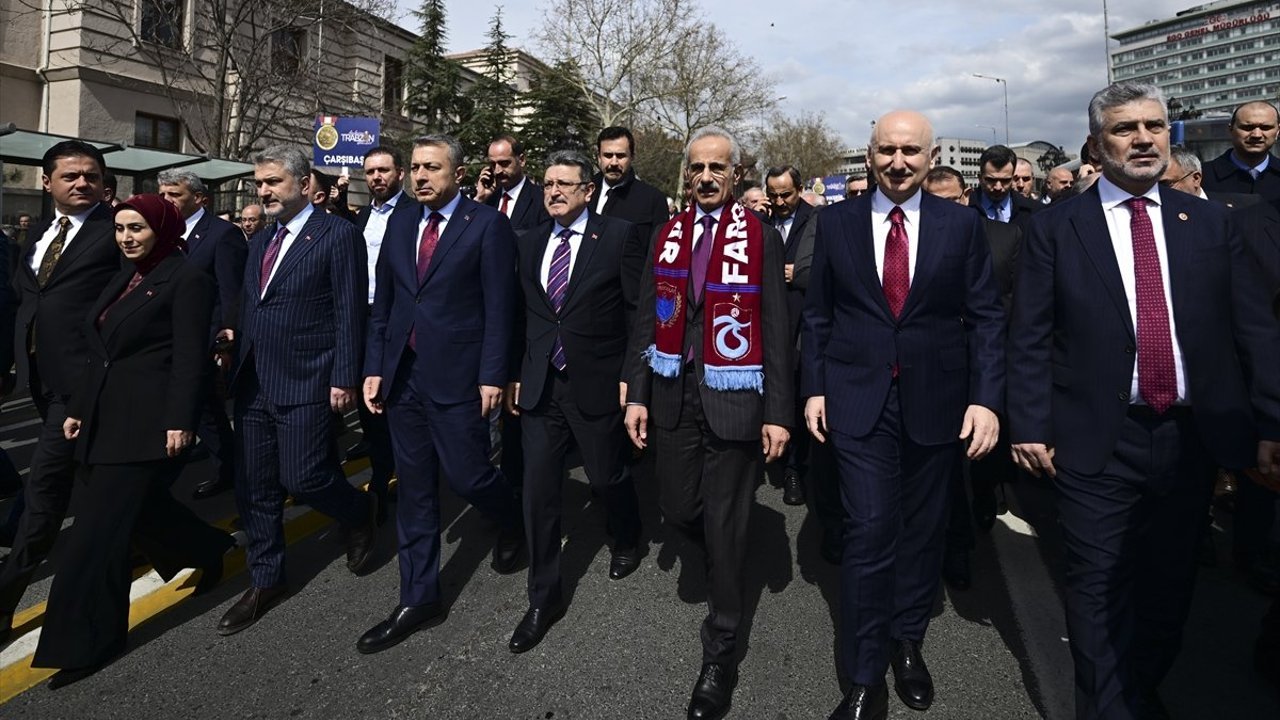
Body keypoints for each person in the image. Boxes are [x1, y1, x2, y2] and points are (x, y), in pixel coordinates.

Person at [1008, 82, 1280, 719]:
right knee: (1097, 586)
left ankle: (1139, 688)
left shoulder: (1210, 222)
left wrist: (1272, 419)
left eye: (1154, 126)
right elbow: (1030, 335)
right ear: (1096, 144)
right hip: (1096, 438)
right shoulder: (1055, 228)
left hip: (1191, 438)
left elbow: (1254, 329)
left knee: (1168, 583)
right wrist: (1029, 422)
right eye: (1125, 128)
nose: (1142, 139)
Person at [803, 111, 1005, 719]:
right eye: (887, 150)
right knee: (869, 529)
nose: (898, 161)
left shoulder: (961, 225)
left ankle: (907, 639)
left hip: (937, 401)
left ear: (931, 156)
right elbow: (818, 315)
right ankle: (865, 676)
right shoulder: (835, 223)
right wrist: (814, 388)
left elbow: (986, 317)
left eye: (910, 151)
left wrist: (986, 399)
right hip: (856, 398)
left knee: (921, 530)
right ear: (869, 154)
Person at [31, 194, 234, 688]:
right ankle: (208, 548)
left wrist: (180, 421)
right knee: (143, 513)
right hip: (102, 417)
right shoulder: (125, 275)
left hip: (145, 423)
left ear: (162, 229)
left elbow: (189, 357)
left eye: (137, 228)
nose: (126, 237)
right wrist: (79, 408)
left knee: (94, 538)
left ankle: (89, 642)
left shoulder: (187, 278)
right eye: (120, 228)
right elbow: (100, 352)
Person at [624, 126, 792, 720]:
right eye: (696, 167)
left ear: (736, 174)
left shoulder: (761, 236)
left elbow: (776, 327)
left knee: (724, 524)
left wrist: (778, 413)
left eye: (717, 167)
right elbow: (647, 317)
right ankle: (722, 550)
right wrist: (636, 394)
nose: (705, 177)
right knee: (677, 508)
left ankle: (720, 650)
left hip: (735, 395)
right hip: (673, 393)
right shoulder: (667, 234)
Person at [357, 134, 523, 654]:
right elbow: (384, 304)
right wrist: (374, 367)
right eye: (415, 168)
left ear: (458, 173)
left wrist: (493, 375)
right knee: (414, 490)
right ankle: (419, 596)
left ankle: (512, 518)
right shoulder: (401, 222)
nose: (420, 176)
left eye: (432, 167)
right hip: (403, 378)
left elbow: (500, 308)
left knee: (469, 475)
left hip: (459, 376)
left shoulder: (487, 225)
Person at [216, 145, 375, 637]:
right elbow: (252, 303)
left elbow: (350, 310)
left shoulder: (338, 234)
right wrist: (231, 336)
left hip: (309, 376)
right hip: (254, 380)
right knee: (255, 485)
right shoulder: (262, 239)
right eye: (258, 183)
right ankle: (266, 578)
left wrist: (344, 377)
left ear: (304, 185)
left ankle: (359, 513)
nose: (263, 191)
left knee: (304, 476)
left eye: (273, 182)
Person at [505, 151, 645, 653]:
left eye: (565, 184)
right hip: (541, 384)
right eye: (548, 184)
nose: (554, 191)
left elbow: (637, 313)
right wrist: (514, 373)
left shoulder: (619, 236)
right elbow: (521, 314)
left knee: (606, 476)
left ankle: (627, 534)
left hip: (596, 382)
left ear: (588, 190)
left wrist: (633, 378)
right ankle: (543, 598)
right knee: (538, 490)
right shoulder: (529, 241)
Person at [0, 140, 123, 646]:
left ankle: (4, 600)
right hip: (40, 381)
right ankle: (197, 547)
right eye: (70, 176)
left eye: (91, 175)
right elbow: (24, 304)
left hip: (85, 385)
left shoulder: (117, 231)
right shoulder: (38, 236)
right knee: (106, 489)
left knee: (45, 492)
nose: (82, 183)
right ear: (47, 182)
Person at [921, 166, 1020, 591]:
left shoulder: (1005, 238)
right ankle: (951, 544)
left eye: (952, 200)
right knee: (944, 467)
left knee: (977, 459)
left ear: (966, 197)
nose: (945, 209)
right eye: (934, 202)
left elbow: (1015, 305)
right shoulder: (912, 239)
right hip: (932, 369)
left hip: (985, 363)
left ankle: (979, 509)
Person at [157, 169, 247, 501]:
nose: (166, 200)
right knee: (207, 412)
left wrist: (224, 341)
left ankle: (153, 489)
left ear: (199, 199)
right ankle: (232, 468)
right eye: (162, 194)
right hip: (168, 338)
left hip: (204, 342)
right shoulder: (161, 231)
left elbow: (231, 292)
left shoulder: (223, 235)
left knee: (191, 408)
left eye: (174, 194)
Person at [344, 146, 406, 523]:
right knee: (368, 399)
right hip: (362, 316)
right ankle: (383, 469)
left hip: (397, 318)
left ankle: (394, 474)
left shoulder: (414, 213)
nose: (376, 177)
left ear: (400, 173)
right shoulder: (362, 216)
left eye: (383, 170)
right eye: (370, 172)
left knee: (393, 398)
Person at [764, 165, 817, 507]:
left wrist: (798, 273)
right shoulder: (760, 221)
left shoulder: (818, 220)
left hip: (802, 323)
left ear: (800, 189)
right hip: (767, 321)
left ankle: (795, 468)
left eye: (786, 194)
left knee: (797, 396)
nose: (780, 201)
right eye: (774, 195)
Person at [594, 126, 671, 250]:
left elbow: (657, 251)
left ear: (632, 157)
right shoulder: (583, 192)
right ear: (598, 157)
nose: (614, 163)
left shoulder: (653, 200)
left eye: (620, 156)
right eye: (608, 155)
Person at [1201, 100, 1280, 202]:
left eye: (1265, 128)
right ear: (1231, 130)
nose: (1257, 135)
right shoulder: (1201, 177)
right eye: (1247, 127)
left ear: (1278, 132)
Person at [969, 144, 1039, 226]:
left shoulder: (1035, 211)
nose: (998, 187)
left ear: (1013, 179)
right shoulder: (965, 208)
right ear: (980, 178)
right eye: (991, 180)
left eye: (1005, 180)